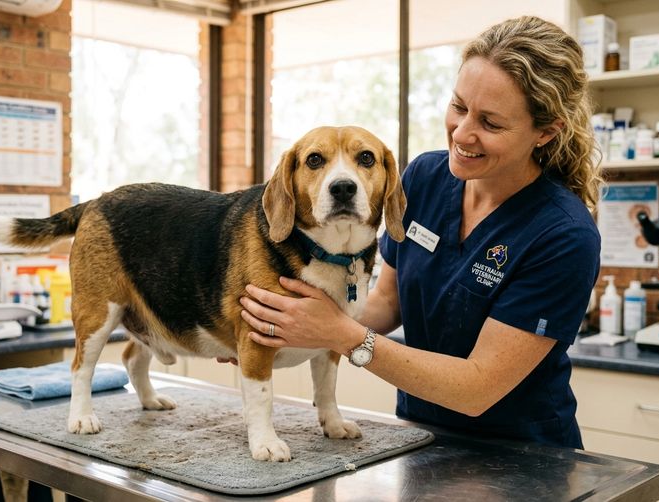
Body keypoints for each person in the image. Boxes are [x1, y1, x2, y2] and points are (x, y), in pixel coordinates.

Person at [237, 15, 602, 449]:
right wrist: (287, 327)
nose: (462, 133)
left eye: (491, 123)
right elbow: (388, 301)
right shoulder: (427, 177)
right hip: (419, 439)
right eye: (459, 106)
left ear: (545, 132)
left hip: (525, 457)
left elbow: (477, 387)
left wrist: (341, 333)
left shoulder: (562, 234)